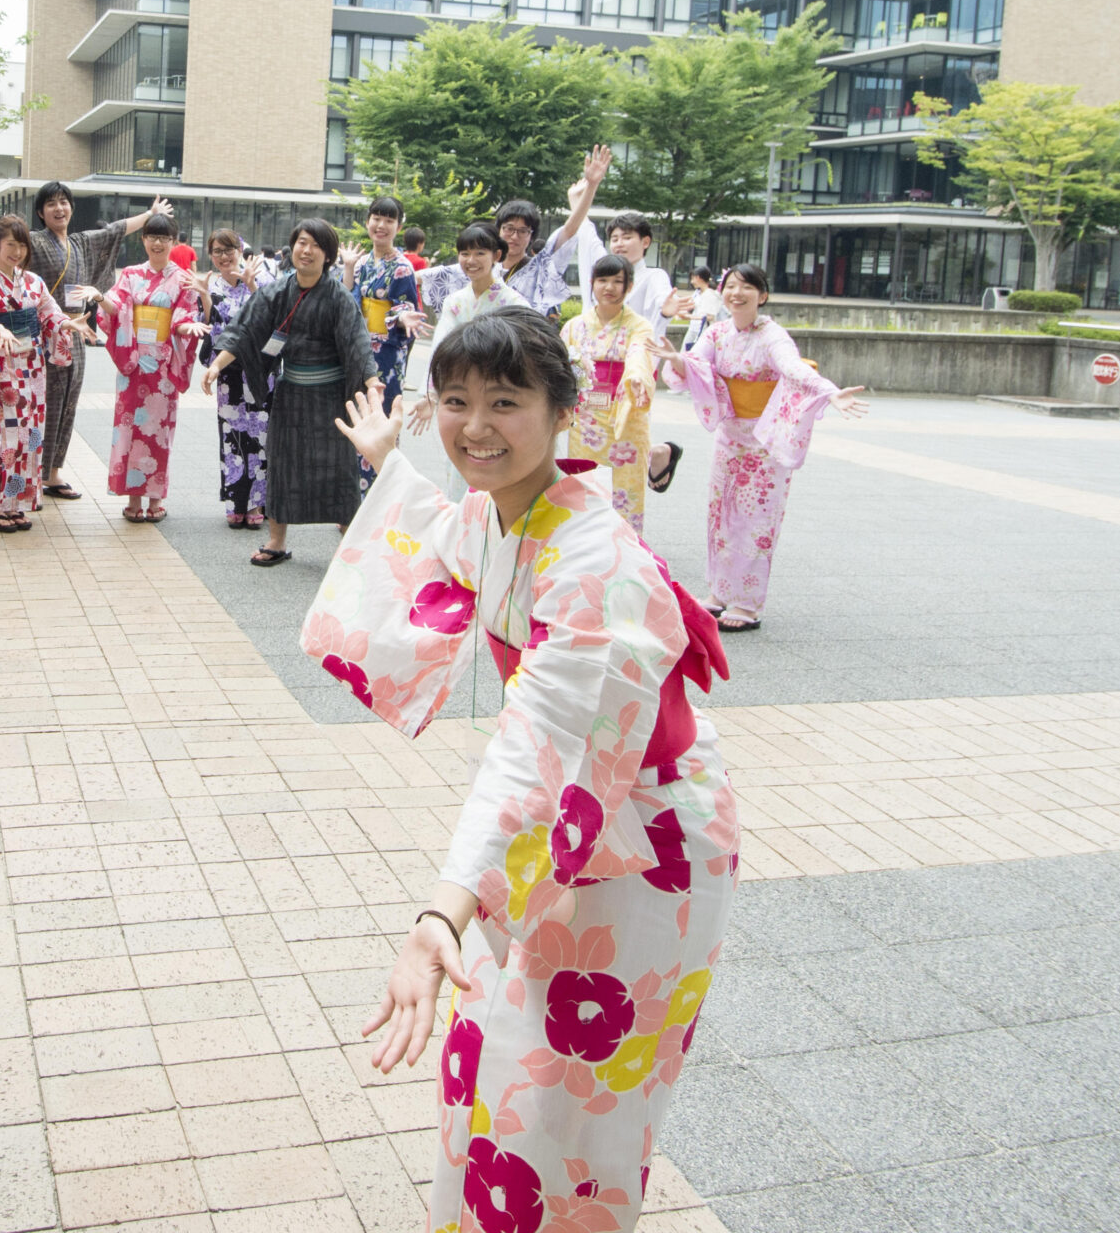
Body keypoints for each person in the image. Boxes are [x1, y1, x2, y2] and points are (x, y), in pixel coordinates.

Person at [312, 309, 735, 1233]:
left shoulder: (594, 558)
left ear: (562, 412)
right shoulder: (510, 512)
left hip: (649, 844)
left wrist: (443, 909)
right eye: (457, 401)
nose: (476, 425)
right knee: (495, 1061)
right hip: (577, 821)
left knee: (575, 1097)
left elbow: (537, 746)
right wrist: (390, 458)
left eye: (506, 402)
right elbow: (442, 528)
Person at [677, 265, 867, 631]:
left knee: (757, 520)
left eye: (747, 287)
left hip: (765, 440)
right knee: (720, 513)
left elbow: (792, 368)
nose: (737, 293)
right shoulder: (717, 332)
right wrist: (674, 360)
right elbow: (694, 362)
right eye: (731, 286)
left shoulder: (772, 335)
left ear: (762, 296)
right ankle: (717, 593)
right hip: (730, 436)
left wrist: (828, 391)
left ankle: (748, 603)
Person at [202, 219, 376, 567]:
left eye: (315, 245)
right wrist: (217, 364)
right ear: (293, 247)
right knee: (281, 465)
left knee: (339, 469)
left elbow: (358, 344)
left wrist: (371, 384)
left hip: (331, 399)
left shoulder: (338, 297)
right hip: (290, 393)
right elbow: (245, 329)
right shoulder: (277, 291)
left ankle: (351, 544)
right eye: (301, 242)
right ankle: (276, 541)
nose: (306, 250)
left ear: (327, 255)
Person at [556, 144, 695, 495]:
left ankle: (653, 461)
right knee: (586, 469)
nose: (619, 244)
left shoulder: (652, 278)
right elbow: (583, 230)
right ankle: (660, 455)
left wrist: (667, 307)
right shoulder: (599, 270)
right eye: (614, 238)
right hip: (589, 391)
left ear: (645, 242)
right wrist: (588, 190)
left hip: (631, 380)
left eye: (627, 238)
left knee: (624, 462)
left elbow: (663, 302)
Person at [26, 183, 170, 505]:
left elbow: (116, 230)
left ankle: (52, 472)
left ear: (71, 208)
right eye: (51, 204)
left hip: (75, 332)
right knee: (45, 403)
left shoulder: (80, 243)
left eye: (64, 202)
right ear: (40, 212)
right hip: (46, 332)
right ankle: (34, 472)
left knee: (69, 402)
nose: (59, 209)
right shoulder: (33, 242)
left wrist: (151, 214)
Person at [0, 215, 86, 532]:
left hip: (33, 366)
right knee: (12, 438)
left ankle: (14, 504)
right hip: (4, 368)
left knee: (31, 436)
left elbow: (50, 312)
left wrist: (67, 324)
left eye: (22, 245)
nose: (17, 251)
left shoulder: (33, 281)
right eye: (11, 244)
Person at [94, 212, 208, 522]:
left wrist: (188, 329)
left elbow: (184, 316)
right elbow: (115, 308)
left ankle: (155, 498)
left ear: (174, 241)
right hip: (133, 363)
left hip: (163, 367)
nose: (158, 243)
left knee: (159, 433)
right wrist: (100, 298)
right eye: (152, 237)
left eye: (164, 237)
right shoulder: (130, 274)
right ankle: (133, 499)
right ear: (143, 239)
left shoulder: (182, 278)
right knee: (130, 429)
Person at [401, 222, 526, 499]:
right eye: (464, 253)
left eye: (480, 253)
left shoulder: (514, 304)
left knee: (497, 469)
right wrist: (431, 395)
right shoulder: (456, 301)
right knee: (460, 469)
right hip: (462, 400)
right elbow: (440, 349)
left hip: (499, 401)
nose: (471, 261)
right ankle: (466, 528)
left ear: (497, 255)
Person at [564, 253, 666, 531]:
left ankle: (625, 556)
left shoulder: (640, 326)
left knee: (626, 494)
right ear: (591, 283)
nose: (609, 287)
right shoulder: (574, 327)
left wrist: (635, 378)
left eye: (617, 281)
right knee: (585, 490)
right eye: (602, 280)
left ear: (629, 286)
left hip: (625, 418)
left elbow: (637, 355)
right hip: (585, 423)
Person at [202, 228, 270, 529]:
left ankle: (257, 503)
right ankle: (234, 503)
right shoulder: (211, 286)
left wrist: (252, 286)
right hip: (228, 376)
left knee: (261, 437)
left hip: (258, 374)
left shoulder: (261, 280)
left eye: (229, 249)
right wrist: (204, 299)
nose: (224, 256)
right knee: (232, 439)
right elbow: (207, 330)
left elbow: (273, 318)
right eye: (217, 251)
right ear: (211, 256)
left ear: (241, 250)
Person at [345, 194, 429, 411]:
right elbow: (346, 299)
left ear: (399, 227)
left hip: (386, 350)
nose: (381, 225)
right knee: (356, 411)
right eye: (377, 218)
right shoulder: (361, 262)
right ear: (367, 222)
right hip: (359, 347)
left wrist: (403, 316)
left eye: (389, 221)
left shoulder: (402, 267)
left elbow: (405, 306)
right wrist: (347, 267)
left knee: (383, 410)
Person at [491, 198, 576, 317]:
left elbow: (569, 231)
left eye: (523, 231)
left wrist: (591, 186)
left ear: (531, 236)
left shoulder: (538, 270)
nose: (515, 236)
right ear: (499, 230)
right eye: (509, 229)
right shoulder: (484, 270)